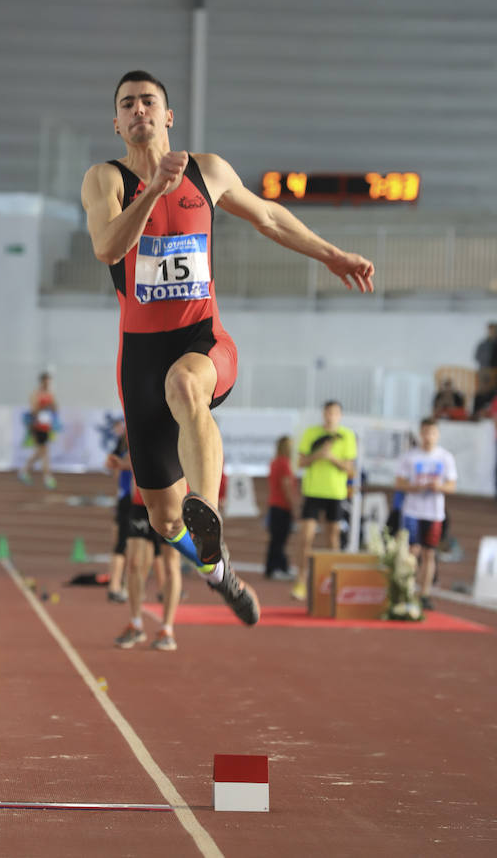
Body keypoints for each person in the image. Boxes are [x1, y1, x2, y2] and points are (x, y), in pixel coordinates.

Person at [80, 69, 375, 625]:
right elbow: (106, 246)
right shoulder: (104, 179)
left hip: (202, 339)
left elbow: (269, 217)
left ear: (168, 116)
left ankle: (208, 513)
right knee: (164, 522)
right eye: (127, 105)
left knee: (185, 384)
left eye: (149, 101)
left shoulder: (207, 171)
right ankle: (217, 570)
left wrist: (332, 254)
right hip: (139, 356)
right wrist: (154, 194)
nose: (139, 110)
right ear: (116, 123)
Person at [292, 401, 357, 600]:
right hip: (313, 491)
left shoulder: (347, 436)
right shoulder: (311, 433)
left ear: (340, 415)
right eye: (328, 412)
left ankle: (332, 581)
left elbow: (350, 469)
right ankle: (302, 580)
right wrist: (318, 455)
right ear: (323, 414)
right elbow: (301, 462)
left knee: (333, 538)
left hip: (336, 493)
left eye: (335, 413)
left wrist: (331, 457)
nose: (331, 416)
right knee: (306, 537)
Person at [395, 417, 457, 610]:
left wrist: (439, 486)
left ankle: (424, 593)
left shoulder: (445, 457)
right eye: (425, 432)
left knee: (430, 553)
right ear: (421, 433)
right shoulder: (410, 457)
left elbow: (451, 485)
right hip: (412, 510)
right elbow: (399, 483)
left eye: (432, 433)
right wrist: (416, 486)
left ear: (437, 435)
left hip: (434, 513)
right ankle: (407, 590)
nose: (428, 437)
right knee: (412, 552)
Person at [114, 485, 181, 651]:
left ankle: (167, 629)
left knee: (170, 565)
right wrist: (122, 464)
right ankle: (135, 624)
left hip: (171, 500)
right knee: (134, 562)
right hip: (141, 500)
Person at [105, 419, 132, 603]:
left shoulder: (122, 443)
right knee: (124, 543)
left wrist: (118, 465)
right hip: (131, 499)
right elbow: (112, 464)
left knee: (122, 542)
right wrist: (121, 465)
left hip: (125, 497)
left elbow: (110, 464)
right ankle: (116, 585)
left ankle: (119, 584)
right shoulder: (130, 442)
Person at [18, 372, 59, 489]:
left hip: (46, 426)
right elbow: (33, 410)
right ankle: (47, 477)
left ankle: (24, 471)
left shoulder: (50, 394)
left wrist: (52, 405)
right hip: (37, 426)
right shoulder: (36, 394)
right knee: (44, 452)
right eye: (46, 381)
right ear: (42, 382)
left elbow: (55, 408)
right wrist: (44, 405)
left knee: (41, 452)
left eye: (49, 382)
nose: (48, 384)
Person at [265, 436, 296, 580]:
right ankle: (276, 568)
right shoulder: (284, 463)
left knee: (276, 539)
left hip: (274, 504)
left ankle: (279, 566)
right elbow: (286, 486)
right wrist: (293, 505)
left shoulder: (274, 462)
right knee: (280, 539)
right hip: (282, 505)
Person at [473, 323, 497, 417]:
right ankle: (477, 413)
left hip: (494, 372)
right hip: (484, 371)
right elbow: (477, 357)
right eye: (490, 330)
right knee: (481, 394)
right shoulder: (483, 344)